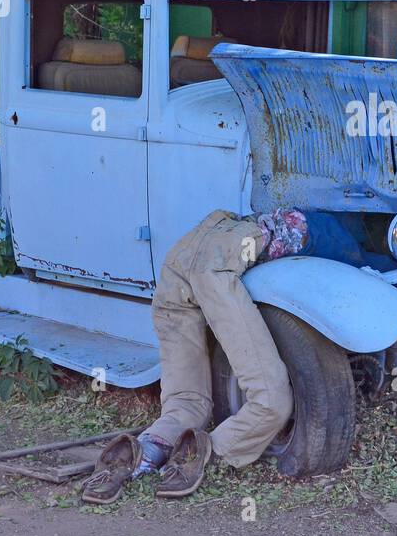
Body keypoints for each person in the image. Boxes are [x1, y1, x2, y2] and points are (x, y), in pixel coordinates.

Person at [81, 207, 310, 505]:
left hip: (175, 268)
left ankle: (143, 453)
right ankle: (197, 455)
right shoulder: (304, 229)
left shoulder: (226, 222)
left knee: (186, 403)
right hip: (212, 274)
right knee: (272, 402)